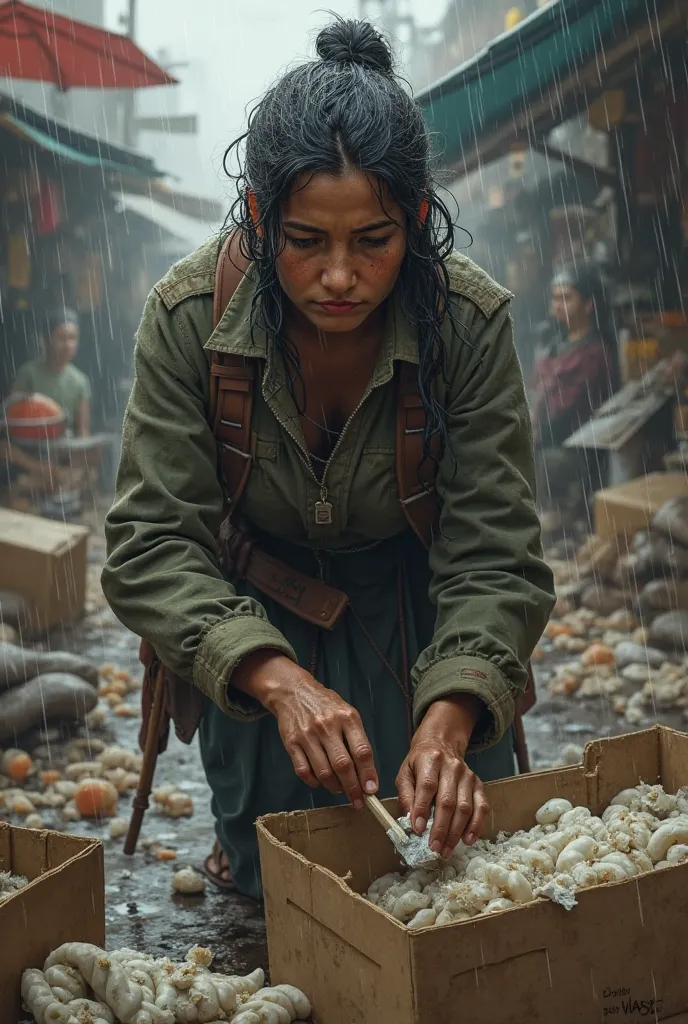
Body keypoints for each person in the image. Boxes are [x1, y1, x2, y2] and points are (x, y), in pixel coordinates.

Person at [102, 19, 555, 901]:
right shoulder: (189, 316)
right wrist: (274, 680)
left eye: (374, 241)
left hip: (419, 608)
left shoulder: (467, 323)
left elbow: (496, 553)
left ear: (418, 220)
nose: (340, 276)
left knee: (454, 865)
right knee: (281, 879)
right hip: (256, 606)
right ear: (263, 220)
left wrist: (453, 714)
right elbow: (152, 544)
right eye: (306, 241)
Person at [530, 264, 618, 520]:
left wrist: (536, 418)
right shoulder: (554, 345)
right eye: (555, 298)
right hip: (547, 439)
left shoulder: (594, 352)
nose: (557, 305)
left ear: (589, 304)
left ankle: (557, 519)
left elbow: (562, 409)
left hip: (575, 450)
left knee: (541, 464)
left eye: (566, 298)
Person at [13, 307, 91, 438]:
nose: (68, 345)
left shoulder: (80, 381)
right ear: (46, 339)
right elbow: (13, 419)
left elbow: (83, 431)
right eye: (61, 337)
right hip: (31, 444)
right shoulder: (28, 373)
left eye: (72, 338)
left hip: (65, 448)